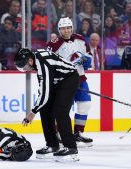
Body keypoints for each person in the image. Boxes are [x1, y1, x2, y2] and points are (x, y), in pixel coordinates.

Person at [15, 48, 89, 162]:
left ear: (30, 60)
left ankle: (70, 147)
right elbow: (43, 90)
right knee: (45, 108)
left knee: (60, 111)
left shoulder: (42, 64)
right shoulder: (36, 61)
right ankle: (52, 144)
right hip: (57, 80)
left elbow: (45, 93)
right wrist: (37, 108)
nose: (26, 70)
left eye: (25, 67)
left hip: (69, 78)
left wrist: (32, 112)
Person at [45, 17, 93, 149]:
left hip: (80, 79)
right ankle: (60, 134)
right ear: (59, 29)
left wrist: (86, 60)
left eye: (68, 28)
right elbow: (48, 63)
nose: (66, 30)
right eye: (63, 28)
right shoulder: (53, 44)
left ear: (72, 28)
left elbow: (88, 56)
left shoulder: (81, 39)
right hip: (64, 82)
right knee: (63, 110)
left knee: (85, 104)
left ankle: (77, 133)